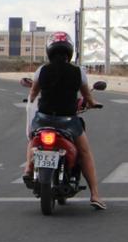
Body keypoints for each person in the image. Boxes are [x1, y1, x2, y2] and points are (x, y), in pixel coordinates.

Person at [22, 31, 104, 210]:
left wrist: (32, 100)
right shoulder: (78, 72)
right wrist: (92, 103)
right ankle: (95, 194)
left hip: (43, 119)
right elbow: (87, 96)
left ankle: (28, 168)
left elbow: (33, 93)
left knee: (32, 138)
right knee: (84, 152)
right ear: (70, 51)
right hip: (67, 121)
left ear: (49, 51)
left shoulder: (41, 70)